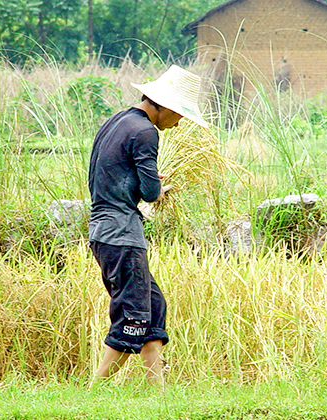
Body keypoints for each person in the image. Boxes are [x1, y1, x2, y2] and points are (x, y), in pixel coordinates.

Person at [88, 65, 208, 385]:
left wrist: (146, 183)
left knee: (153, 308)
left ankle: (158, 393)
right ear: (167, 106)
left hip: (103, 230)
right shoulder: (145, 132)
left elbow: (114, 176)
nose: (179, 123)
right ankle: (94, 390)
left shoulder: (116, 122)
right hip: (122, 234)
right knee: (134, 316)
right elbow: (150, 193)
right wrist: (156, 186)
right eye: (180, 115)